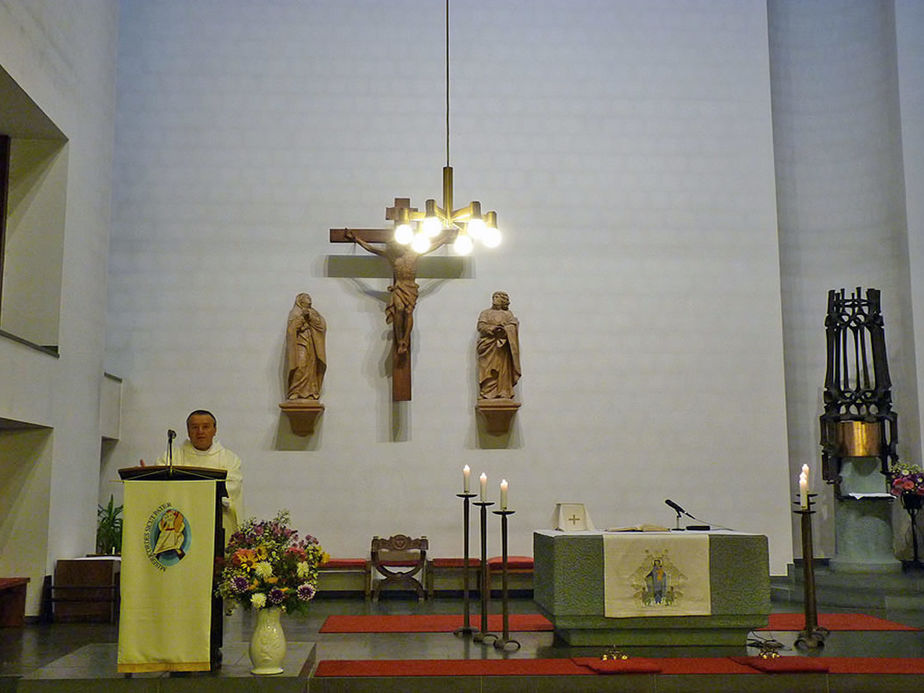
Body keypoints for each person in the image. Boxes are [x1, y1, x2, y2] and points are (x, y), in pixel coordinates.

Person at [345, 229, 452, 355]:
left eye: (396, 246)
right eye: (393, 247)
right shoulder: (391, 257)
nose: (394, 248)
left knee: (408, 311)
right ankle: (399, 338)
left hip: (410, 287)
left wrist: (444, 239)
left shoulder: (414, 253)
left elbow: (431, 247)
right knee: (399, 309)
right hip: (399, 286)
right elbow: (372, 249)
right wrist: (357, 239)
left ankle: (405, 340)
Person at [156, 410, 243, 538]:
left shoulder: (229, 459)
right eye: (195, 427)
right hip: (181, 523)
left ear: (215, 430)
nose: (200, 431)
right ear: (188, 431)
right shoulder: (172, 457)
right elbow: (159, 485)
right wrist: (146, 476)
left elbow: (231, 488)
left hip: (216, 522)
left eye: (206, 427)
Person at [476, 291, 521, 399]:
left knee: (503, 369)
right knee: (488, 369)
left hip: (503, 347)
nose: (494, 299)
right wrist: (492, 328)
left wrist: (506, 329)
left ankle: (503, 391)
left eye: (497, 297)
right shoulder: (485, 313)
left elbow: (513, 324)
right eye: (494, 297)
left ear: (503, 300)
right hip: (488, 346)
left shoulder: (508, 314)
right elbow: (481, 326)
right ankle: (487, 392)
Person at [285, 293, 327, 400]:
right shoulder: (295, 313)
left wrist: (310, 316)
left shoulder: (314, 312)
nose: (309, 299)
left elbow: (321, 325)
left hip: (312, 344)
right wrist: (302, 318)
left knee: (311, 367)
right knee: (301, 364)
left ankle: (311, 392)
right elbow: (291, 329)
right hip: (300, 343)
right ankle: (295, 390)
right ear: (300, 300)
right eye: (306, 297)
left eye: (310, 298)